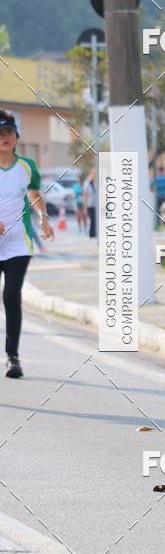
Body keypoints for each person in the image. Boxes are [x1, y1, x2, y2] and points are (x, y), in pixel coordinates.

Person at [0, 110, 54, 377]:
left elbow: (34, 193)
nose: (4, 138)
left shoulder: (26, 167)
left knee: (11, 297)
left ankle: (13, 357)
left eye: (8, 133)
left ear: (16, 137)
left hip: (17, 244)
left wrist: (43, 216)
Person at [83, 167, 97, 238]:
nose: (94, 174)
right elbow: (85, 195)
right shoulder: (88, 183)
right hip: (90, 205)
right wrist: (85, 208)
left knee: (96, 220)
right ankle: (92, 235)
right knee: (92, 220)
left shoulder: (97, 182)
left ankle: (96, 234)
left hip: (97, 205)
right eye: (93, 173)